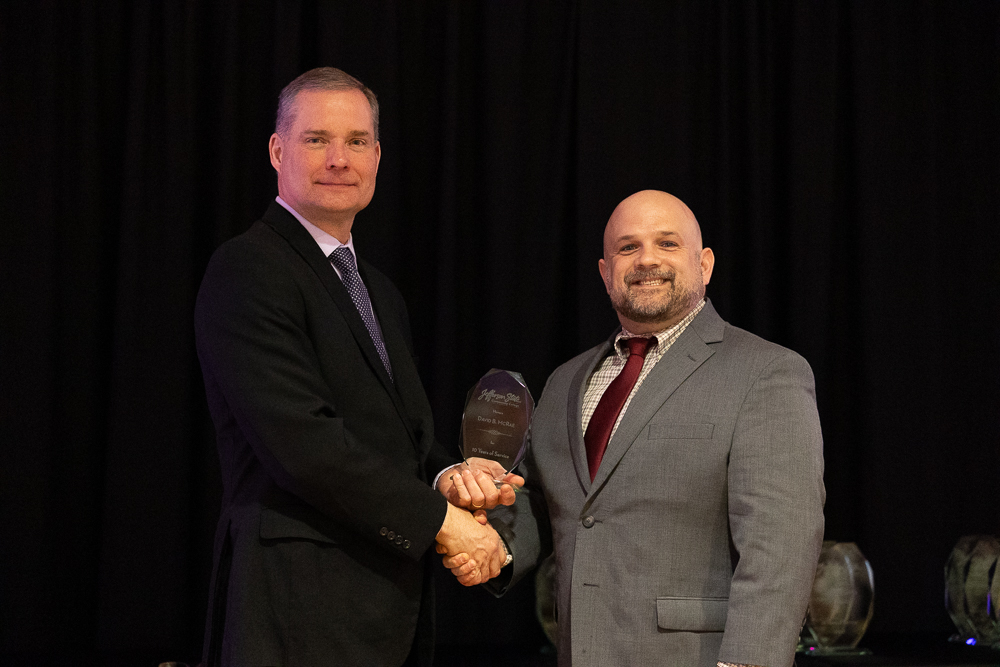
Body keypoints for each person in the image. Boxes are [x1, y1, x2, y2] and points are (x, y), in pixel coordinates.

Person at [194, 67, 517, 667]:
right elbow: (303, 445)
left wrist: (449, 476)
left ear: (377, 156)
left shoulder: (379, 290)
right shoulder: (248, 269)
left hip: (385, 613)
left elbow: (396, 439)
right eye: (317, 139)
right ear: (278, 151)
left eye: (357, 141)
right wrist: (444, 524)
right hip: (294, 614)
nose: (339, 159)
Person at [443, 190, 825, 667]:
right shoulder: (565, 381)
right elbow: (546, 500)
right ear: (606, 273)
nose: (647, 259)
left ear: (704, 264)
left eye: (667, 243)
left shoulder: (765, 371)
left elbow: (782, 545)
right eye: (628, 247)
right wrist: (496, 547)